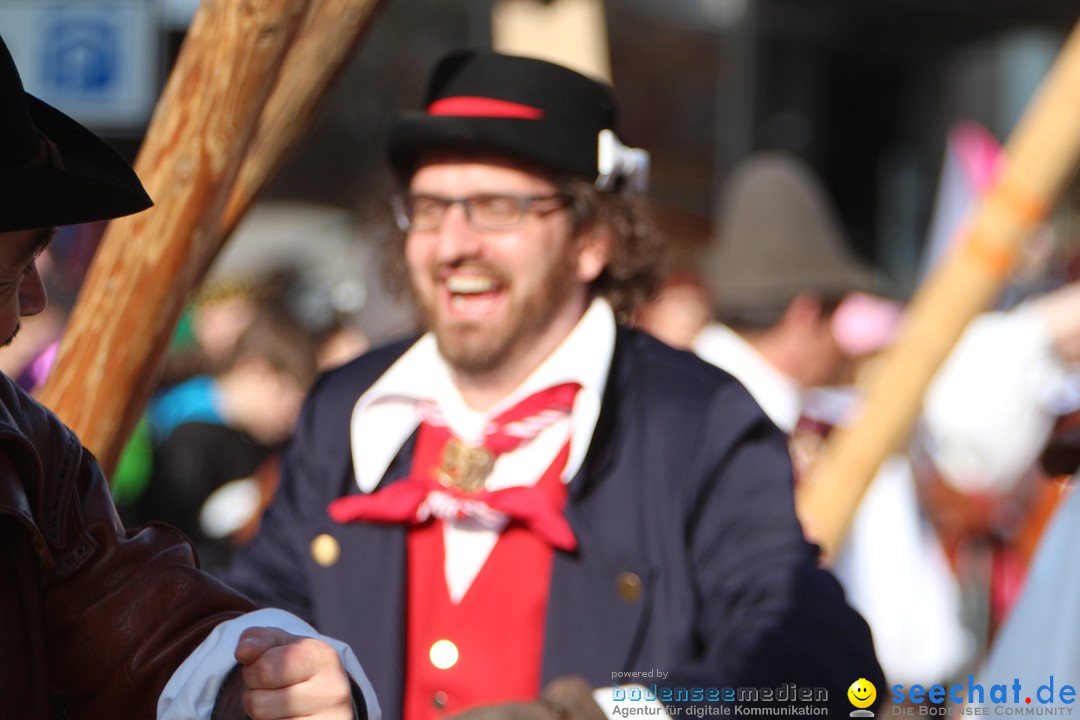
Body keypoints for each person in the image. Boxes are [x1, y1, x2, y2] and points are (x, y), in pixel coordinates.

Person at [224, 50, 883, 720]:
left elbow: (825, 670)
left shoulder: (698, 421)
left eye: (496, 207)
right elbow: (246, 617)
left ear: (590, 237)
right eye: (429, 208)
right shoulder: (347, 408)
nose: (452, 244)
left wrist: (597, 716)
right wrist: (261, 683)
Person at [0, 35, 377, 720]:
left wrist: (259, 687)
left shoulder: (27, 453)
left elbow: (134, 621)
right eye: (12, 265)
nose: (32, 299)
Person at [693, 151, 972, 688]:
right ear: (804, 314)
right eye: (836, 311)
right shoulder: (741, 425)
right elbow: (913, 650)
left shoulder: (683, 406)